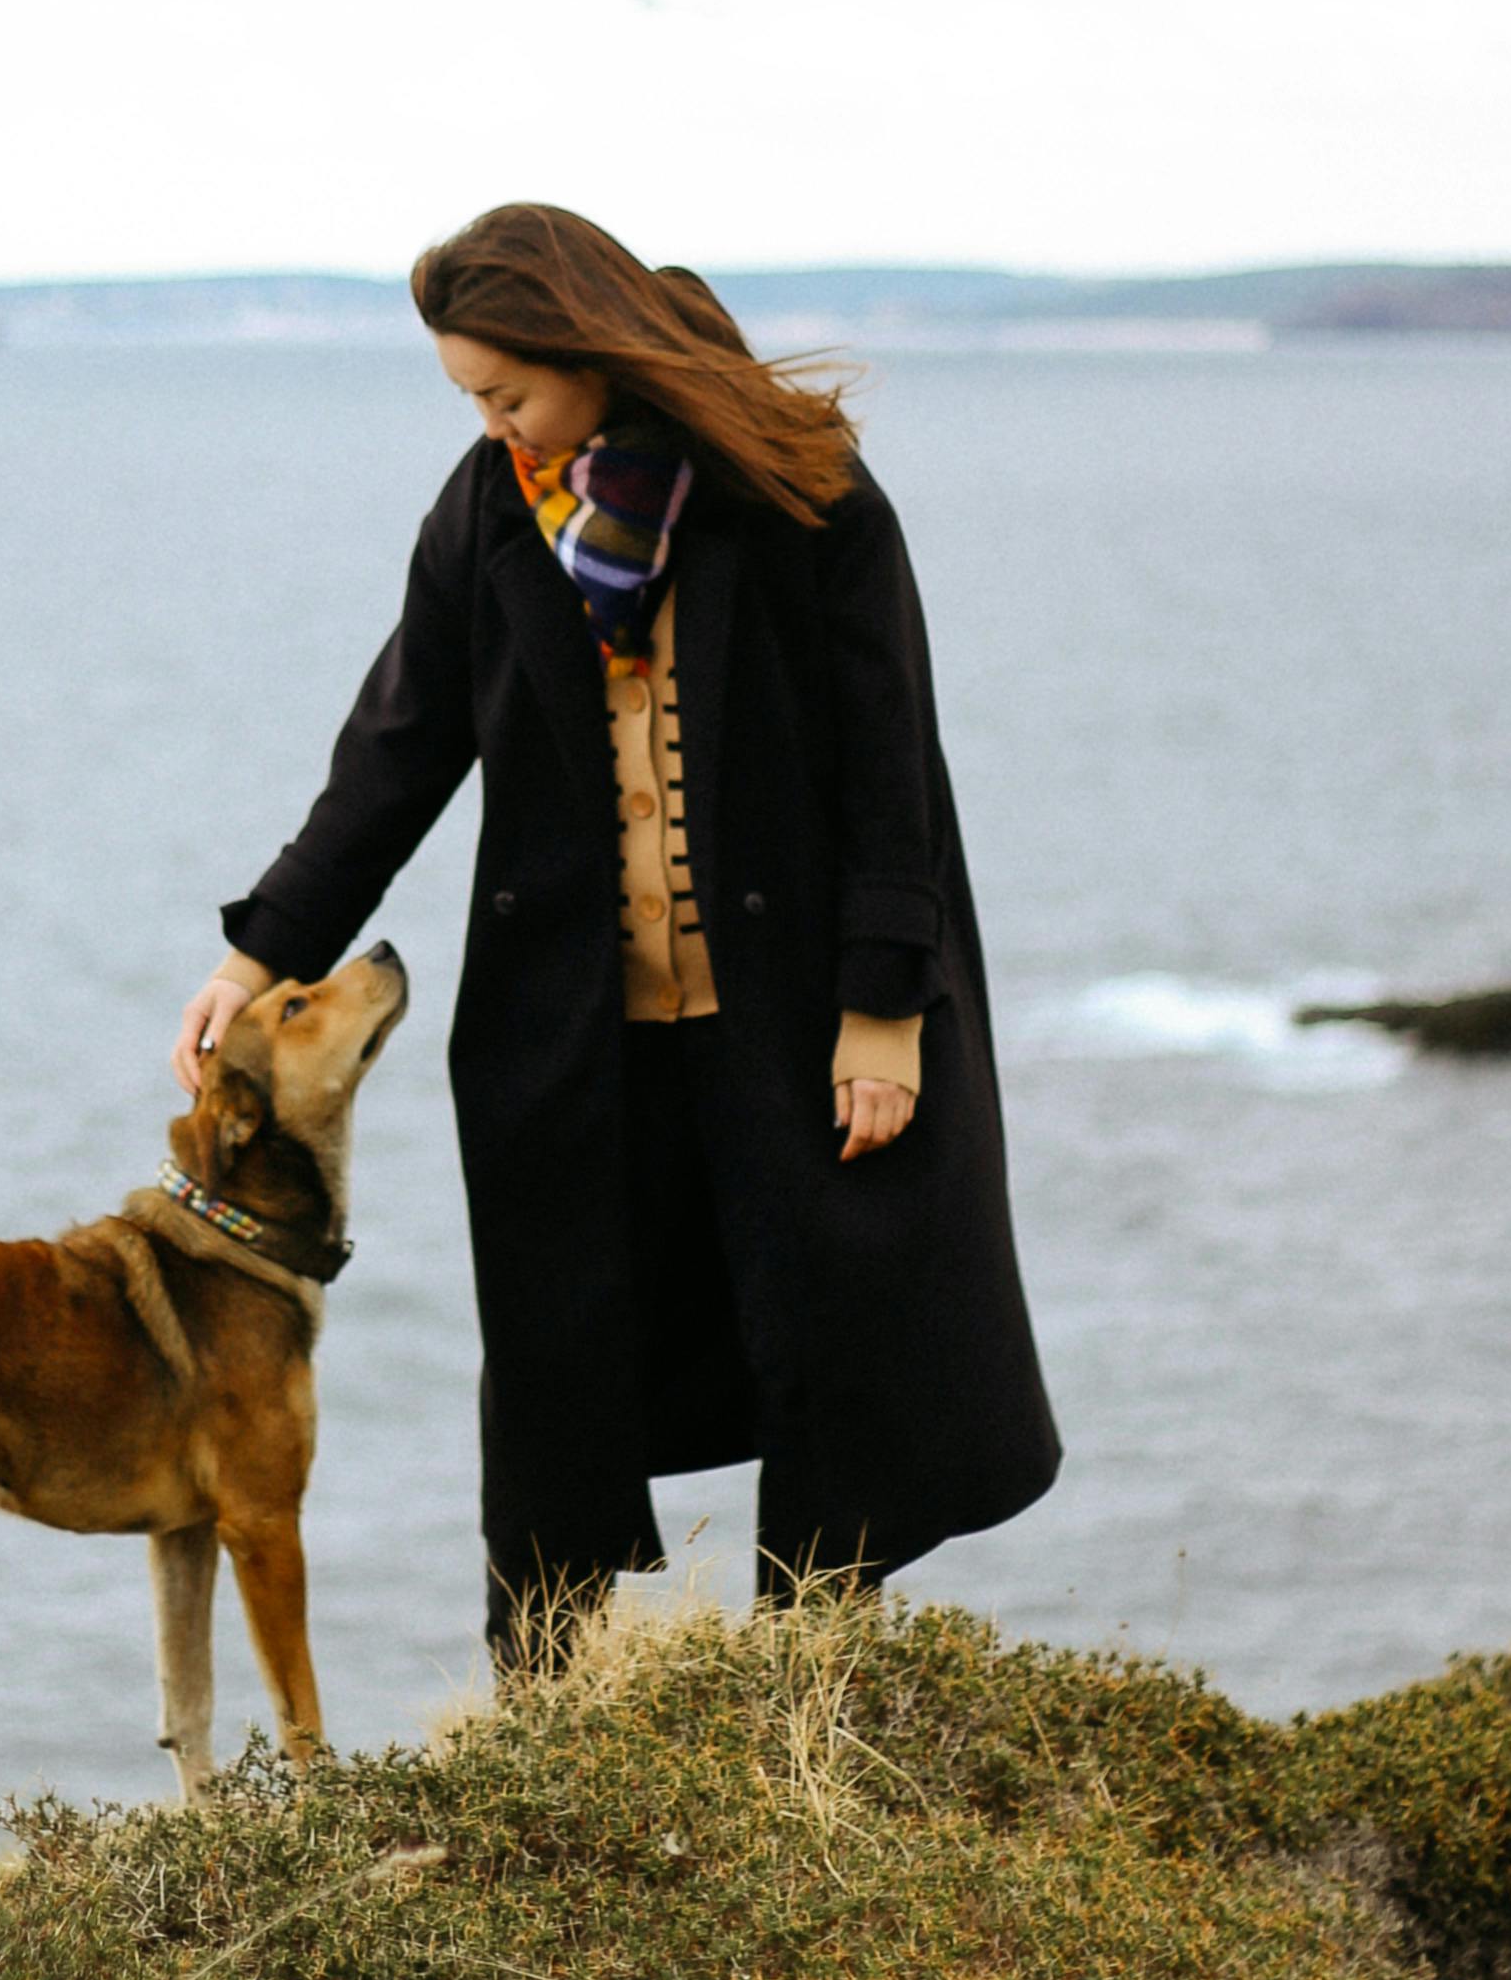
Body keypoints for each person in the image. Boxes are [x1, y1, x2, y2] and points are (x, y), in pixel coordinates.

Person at [174, 201, 1060, 1671]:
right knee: (556, 1382)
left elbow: (887, 759)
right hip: (569, 1037)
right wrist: (258, 954)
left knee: (830, 1349)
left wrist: (884, 1004)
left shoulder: (800, 489)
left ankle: (810, 1691)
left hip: (794, 1020)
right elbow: (396, 753)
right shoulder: (486, 514)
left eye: (505, 389)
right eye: (469, 395)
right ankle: (537, 1707)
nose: (488, 420)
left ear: (587, 349)